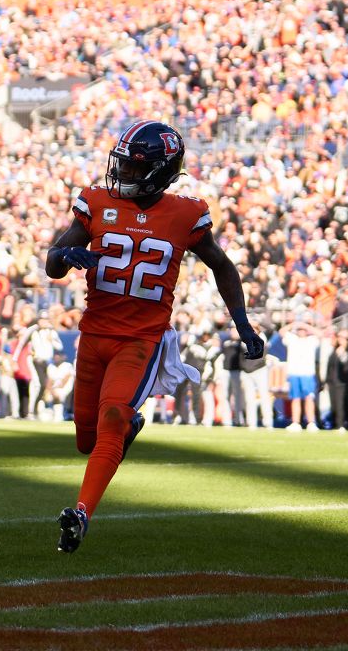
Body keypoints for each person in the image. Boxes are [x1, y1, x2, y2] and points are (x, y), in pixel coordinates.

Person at [44, 120, 264, 553]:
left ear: (159, 171)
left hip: (141, 340)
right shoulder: (96, 201)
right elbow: (52, 263)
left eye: (131, 167)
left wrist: (242, 322)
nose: (120, 173)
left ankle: (81, 513)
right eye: (120, 164)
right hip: (93, 336)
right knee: (86, 440)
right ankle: (129, 427)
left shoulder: (185, 213)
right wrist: (64, 257)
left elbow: (222, 265)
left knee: (111, 418)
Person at [282, 321, 322, 431]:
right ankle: (295, 422)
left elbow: (321, 334)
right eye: (300, 329)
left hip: (307, 374)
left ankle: (311, 422)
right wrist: (294, 324)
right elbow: (281, 332)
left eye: (303, 330)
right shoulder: (292, 339)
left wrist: (306, 325)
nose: (301, 331)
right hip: (294, 373)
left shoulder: (311, 340)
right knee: (295, 398)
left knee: (309, 398)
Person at [325, 331, 348, 431]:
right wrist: (327, 380)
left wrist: (343, 355)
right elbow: (330, 366)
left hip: (347, 382)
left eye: (343, 337)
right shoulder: (334, 350)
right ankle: (338, 424)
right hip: (334, 382)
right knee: (336, 405)